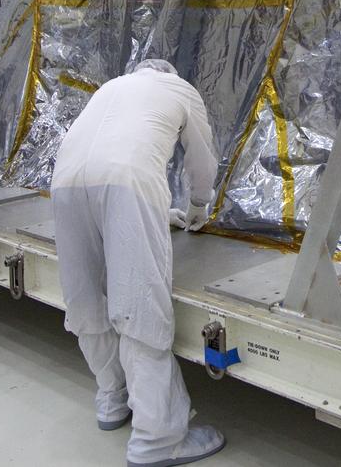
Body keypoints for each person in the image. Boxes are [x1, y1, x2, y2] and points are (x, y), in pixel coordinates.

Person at [51, 59, 225, 467]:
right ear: (170, 73)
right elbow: (202, 158)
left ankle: (112, 399)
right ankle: (158, 441)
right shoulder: (181, 89)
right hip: (127, 181)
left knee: (86, 300)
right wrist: (199, 204)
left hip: (65, 183)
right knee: (138, 307)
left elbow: (104, 151)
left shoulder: (113, 86)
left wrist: (156, 211)